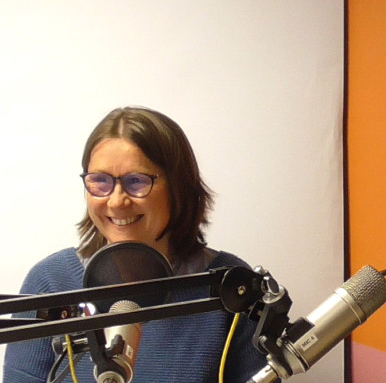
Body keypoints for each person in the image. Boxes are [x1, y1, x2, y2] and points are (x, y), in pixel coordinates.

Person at [3, 106, 266, 383]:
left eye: (136, 181)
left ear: (178, 187)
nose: (117, 201)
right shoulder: (50, 283)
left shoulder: (232, 287)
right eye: (100, 181)